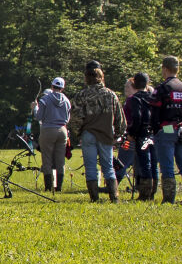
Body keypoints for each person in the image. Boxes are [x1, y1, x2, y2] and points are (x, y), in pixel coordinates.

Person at [67, 62, 123, 202]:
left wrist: (78, 133)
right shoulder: (111, 95)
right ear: (101, 76)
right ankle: (114, 197)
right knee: (108, 167)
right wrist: (117, 134)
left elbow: (75, 118)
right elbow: (119, 117)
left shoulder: (82, 95)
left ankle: (94, 197)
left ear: (86, 77)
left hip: (88, 134)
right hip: (106, 133)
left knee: (90, 166)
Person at [150, 55, 182, 203]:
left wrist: (155, 129)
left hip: (167, 129)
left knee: (167, 165)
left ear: (165, 69)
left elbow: (154, 112)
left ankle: (169, 198)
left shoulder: (162, 89)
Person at [34, 77, 73, 193]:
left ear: (52, 87)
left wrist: (35, 108)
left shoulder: (45, 99)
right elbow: (68, 118)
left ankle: (48, 186)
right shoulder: (66, 100)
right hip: (62, 130)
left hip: (48, 129)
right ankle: (59, 187)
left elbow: (39, 117)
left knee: (47, 158)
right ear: (62, 88)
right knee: (60, 159)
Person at [122, 72, 157, 201]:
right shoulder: (153, 97)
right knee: (154, 162)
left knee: (144, 163)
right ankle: (153, 192)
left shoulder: (135, 99)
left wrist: (131, 133)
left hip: (142, 133)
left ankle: (145, 194)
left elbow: (137, 117)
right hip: (154, 133)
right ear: (147, 83)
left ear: (135, 84)